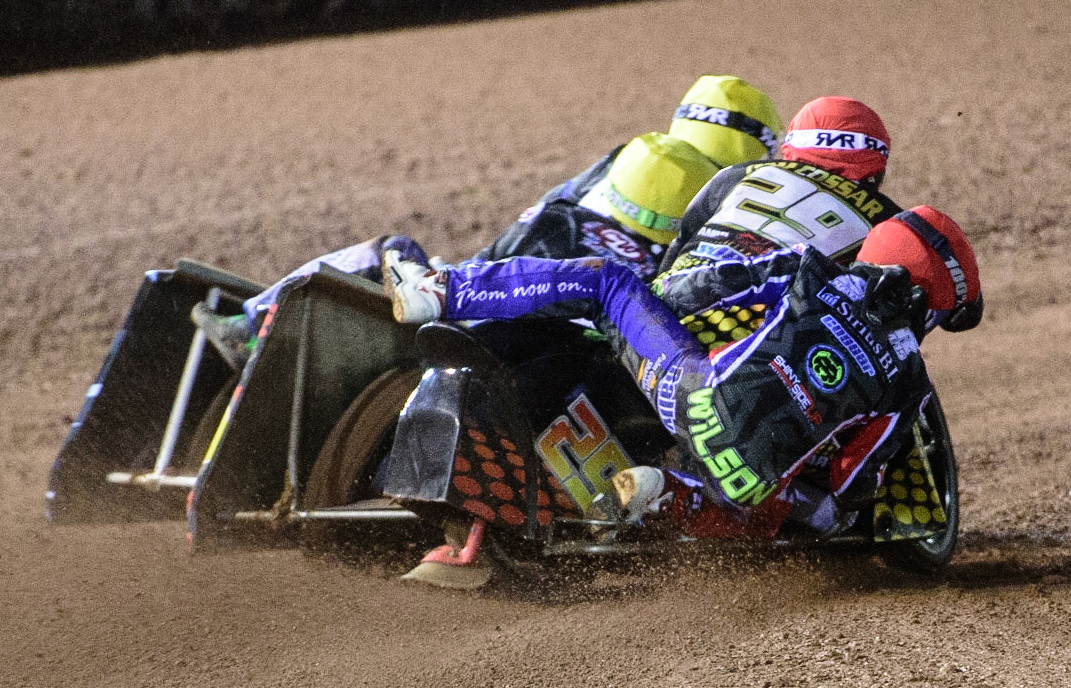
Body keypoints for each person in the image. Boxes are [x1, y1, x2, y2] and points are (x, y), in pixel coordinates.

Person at [383, 204, 983, 577]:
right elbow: (854, 485)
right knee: (813, 506)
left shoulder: (810, 268)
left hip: (692, 396)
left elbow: (688, 291)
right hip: (747, 483)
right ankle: (668, 492)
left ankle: (441, 290)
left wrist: (651, 323)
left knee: (608, 281)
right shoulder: (909, 384)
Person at [192, 75, 782, 370]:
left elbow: (520, 235)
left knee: (391, 247)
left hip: (467, 305)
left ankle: (249, 324)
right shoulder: (723, 209)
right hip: (572, 356)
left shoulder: (611, 170)